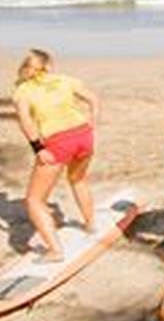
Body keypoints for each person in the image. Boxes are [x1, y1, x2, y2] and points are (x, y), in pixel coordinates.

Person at [12, 48, 99, 262]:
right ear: (49, 65)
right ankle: (90, 225)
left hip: (58, 143)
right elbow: (93, 99)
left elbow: (25, 122)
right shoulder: (65, 80)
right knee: (78, 179)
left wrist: (38, 149)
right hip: (84, 135)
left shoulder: (23, 91)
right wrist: (92, 120)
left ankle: (55, 251)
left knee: (34, 201)